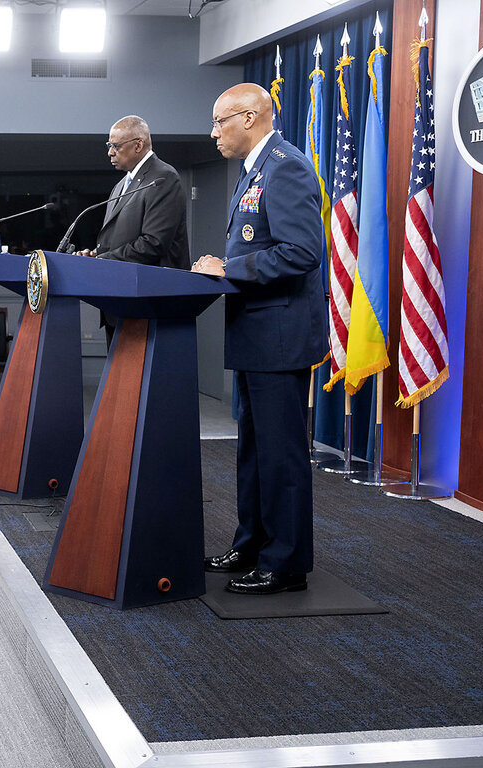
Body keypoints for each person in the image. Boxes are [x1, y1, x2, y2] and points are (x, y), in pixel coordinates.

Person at [192, 82, 326, 595]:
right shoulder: (254, 171)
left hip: (279, 335)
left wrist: (229, 267)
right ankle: (252, 543)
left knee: (281, 453)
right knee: (253, 448)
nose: (214, 133)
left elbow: (300, 252)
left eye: (219, 121)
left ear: (249, 118)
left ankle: (286, 563)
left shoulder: (285, 166)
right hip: (254, 333)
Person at [77, 115, 191, 341]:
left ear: (138, 145)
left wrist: (103, 260)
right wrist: (95, 254)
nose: (110, 152)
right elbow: (115, 239)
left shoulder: (163, 178)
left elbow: (153, 243)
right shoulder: (121, 184)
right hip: (119, 304)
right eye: (109, 146)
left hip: (148, 305)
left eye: (115, 146)